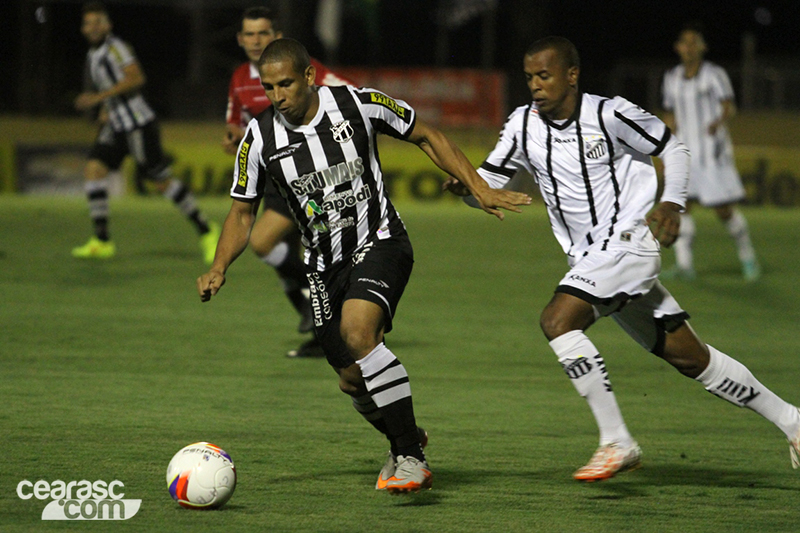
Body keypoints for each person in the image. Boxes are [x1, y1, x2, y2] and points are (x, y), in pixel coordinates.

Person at [445, 36, 800, 482]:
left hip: (630, 242)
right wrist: (468, 192)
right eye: (530, 77)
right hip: (591, 260)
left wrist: (671, 203)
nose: (535, 85)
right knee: (692, 358)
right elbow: (487, 186)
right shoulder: (520, 125)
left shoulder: (609, 114)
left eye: (545, 75)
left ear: (571, 75)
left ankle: (617, 440)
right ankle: (793, 421)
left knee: (558, 321)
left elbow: (674, 147)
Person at [197, 38, 530, 493]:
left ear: (310, 77)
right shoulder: (259, 138)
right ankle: (404, 436)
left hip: (381, 240)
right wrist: (220, 265)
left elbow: (426, 134)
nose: (277, 97)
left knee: (359, 331)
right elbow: (241, 212)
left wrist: (480, 186)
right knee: (352, 380)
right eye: (269, 87)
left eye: (286, 84)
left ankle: (412, 458)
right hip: (322, 266)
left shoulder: (358, 104)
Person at [224, 7, 354, 357]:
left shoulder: (299, 70)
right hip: (274, 178)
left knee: (263, 241)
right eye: (249, 34)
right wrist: (233, 137)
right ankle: (320, 333)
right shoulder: (239, 78)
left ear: (276, 37)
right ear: (240, 39)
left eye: (263, 33)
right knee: (298, 259)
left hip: (306, 177)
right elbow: (236, 121)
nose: (256, 41)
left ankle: (315, 309)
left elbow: (349, 98)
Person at [72, 1, 219, 262]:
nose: (92, 28)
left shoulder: (115, 47)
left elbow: (136, 77)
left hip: (138, 124)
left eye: (97, 22)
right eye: (88, 23)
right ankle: (102, 240)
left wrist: (98, 98)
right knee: (94, 169)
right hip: (116, 126)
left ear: (108, 25)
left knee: (161, 182)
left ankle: (207, 230)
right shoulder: (92, 55)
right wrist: (106, 109)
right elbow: (115, 88)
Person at [661, 22, 760, 281]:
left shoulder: (714, 74)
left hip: (711, 154)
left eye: (695, 42)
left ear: (703, 47)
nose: (690, 47)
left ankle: (748, 258)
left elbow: (729, 106)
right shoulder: (671, 78)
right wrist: (665, 143)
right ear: (678, 48)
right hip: (685, 154)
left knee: (723, 210)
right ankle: (685, 265)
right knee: (682, 208)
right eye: (685, 42)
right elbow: (671, 114)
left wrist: (718, 122)